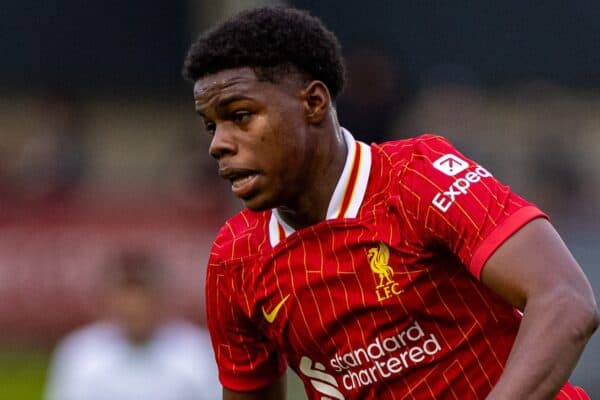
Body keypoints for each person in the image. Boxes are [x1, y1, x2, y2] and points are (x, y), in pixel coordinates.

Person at [182, 7, 599, 400]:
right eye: (210, 126)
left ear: (313, 103)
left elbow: (565, 301)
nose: (219, 144)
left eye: (240, 116)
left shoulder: (419, 177)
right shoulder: (235, 259)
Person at [44, 250, 220, 400]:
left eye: (142, 296)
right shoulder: (80, 354)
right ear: (110, 300)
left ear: (161, 298)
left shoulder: (197, 353)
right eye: (126, 296)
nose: (135, 307)